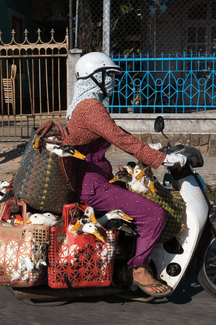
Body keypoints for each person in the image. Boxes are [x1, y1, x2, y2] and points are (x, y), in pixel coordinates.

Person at [63, 52, 187, 297]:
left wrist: (152, 150)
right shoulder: (90, 107)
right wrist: (160, 159)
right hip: (93, 185)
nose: (113, 80)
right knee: (154, 214)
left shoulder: (86, 105)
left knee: (141, 199)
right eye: (109, 75)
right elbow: (119, 139)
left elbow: (116, 131)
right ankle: (138, 269)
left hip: (94, 178)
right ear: (94, 76)